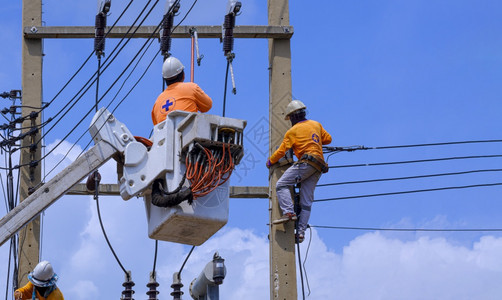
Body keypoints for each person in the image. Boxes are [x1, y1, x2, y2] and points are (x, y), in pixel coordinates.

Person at [266, 100, 332, 243]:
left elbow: (282, 150)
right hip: (318, 166)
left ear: (293, 117)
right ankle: (300, 233)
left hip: (306, 163)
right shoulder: (316, 124)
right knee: (306, 202)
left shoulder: (292, 131)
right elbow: (328, 139)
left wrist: (270, 161)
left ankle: (289, 212)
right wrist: (313, 139)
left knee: (282, 184)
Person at [151, 56, 213, 125]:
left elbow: (157, 126)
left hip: (165, 135)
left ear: (165, 79)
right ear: (183, 75)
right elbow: (208, 105)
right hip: (189, 133)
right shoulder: (191, 88)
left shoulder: (157, 103)